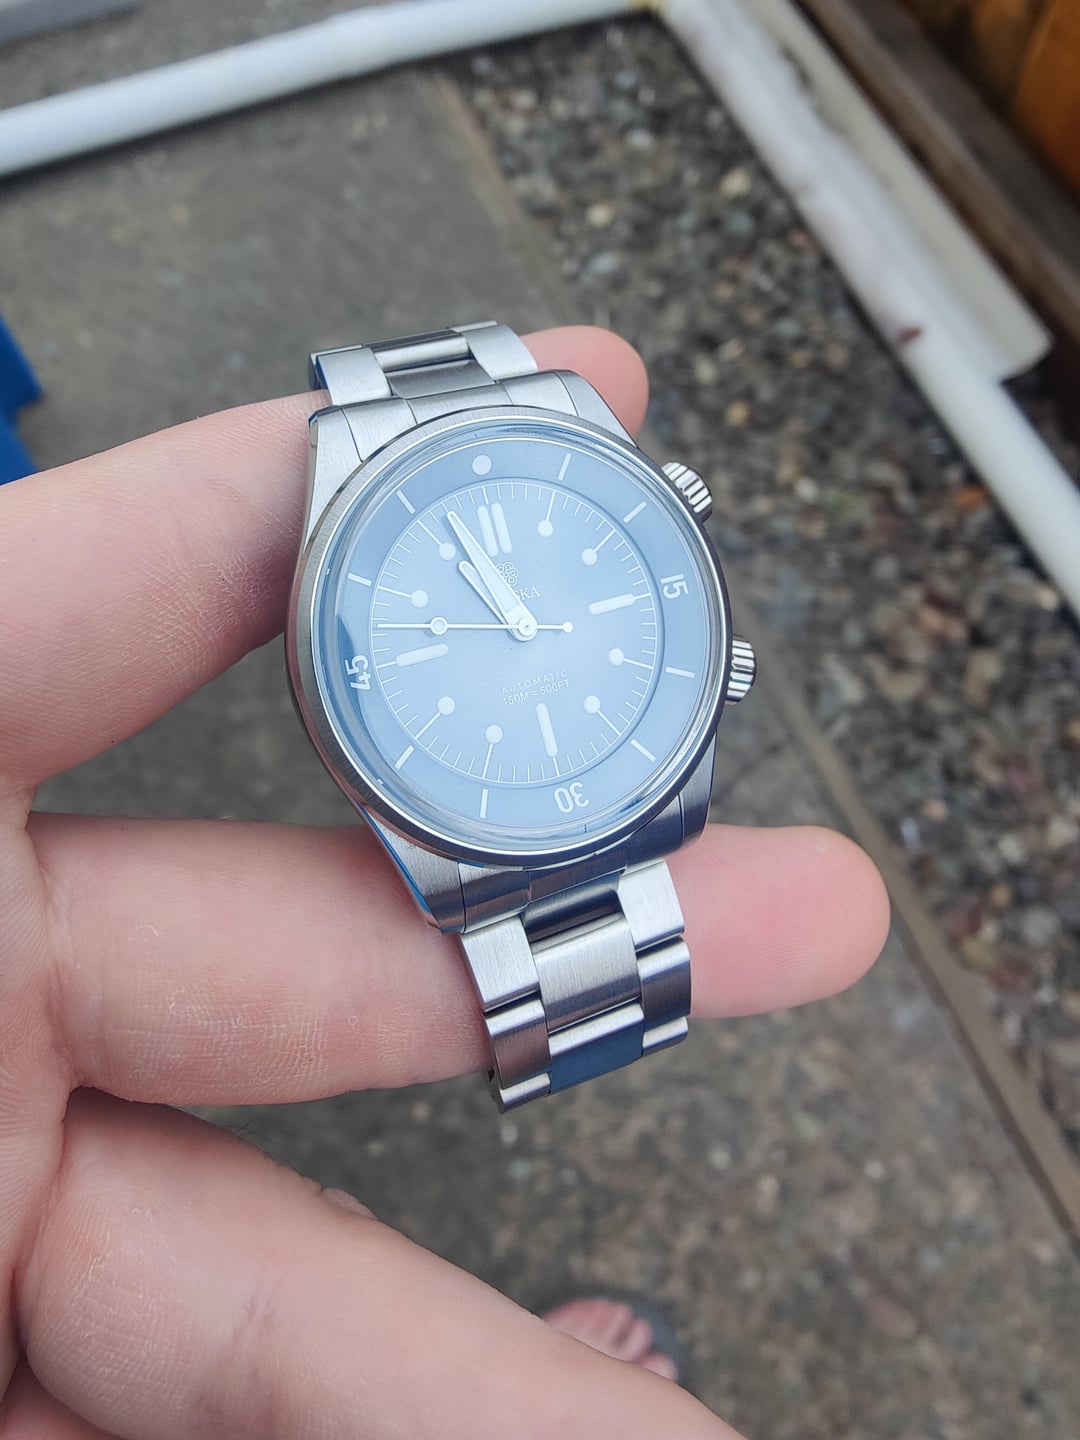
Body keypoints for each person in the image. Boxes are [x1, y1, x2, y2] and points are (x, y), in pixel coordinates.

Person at [0, 326, 889, 1437]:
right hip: (469, 832)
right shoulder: (359, 615)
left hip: (625, 788)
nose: (520, 628)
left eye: (523, 621)